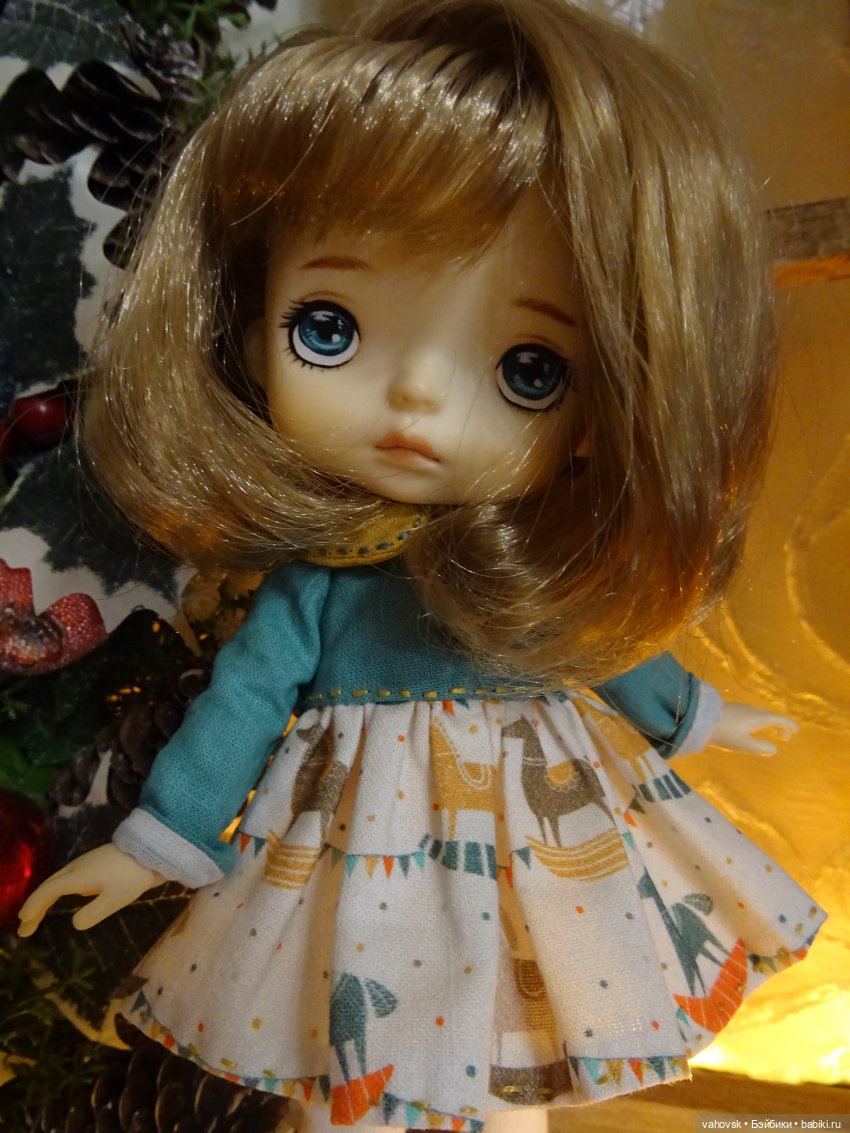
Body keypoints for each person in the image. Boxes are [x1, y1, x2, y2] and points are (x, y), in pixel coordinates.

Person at [19, 1, 825, 1129]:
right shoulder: (325, 577)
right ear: (250, 331)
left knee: (516, 1044)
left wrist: (698, 713)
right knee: (344, 1052)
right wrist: (159, 842)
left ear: (610, 398)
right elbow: (241, 706)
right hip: (358, 846)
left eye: (530, 366)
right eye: (329, 327)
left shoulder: (525, 567)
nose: (416, 399)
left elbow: (595, 646)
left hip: (533, 838)